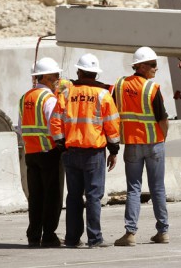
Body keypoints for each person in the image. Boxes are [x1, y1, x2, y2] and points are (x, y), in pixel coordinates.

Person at [50, 53, 120, 248]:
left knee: (73, 196)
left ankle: (72, 239)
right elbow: (112, 125)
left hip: (71, 151)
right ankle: (95, 239)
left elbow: (55, 120)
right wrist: (114, 150)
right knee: (93, 197)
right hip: (94, 153)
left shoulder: (66, 92)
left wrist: (61, 144)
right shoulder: (103, 95)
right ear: (96, 75)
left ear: (79, 72)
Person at [113, 46, 169, 247]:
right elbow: (163, 119)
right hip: (154, 143)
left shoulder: (119, 86)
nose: (156, 68)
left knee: (133, 189)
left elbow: (111, 109)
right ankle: (162, 232)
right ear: (141, 66)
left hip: (132, 145)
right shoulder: (152, 89)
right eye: (153, 65)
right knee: (157, 189)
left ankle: (130, 233)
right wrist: (162, 138)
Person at [17, 57, 64, 248]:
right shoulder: (49, 99)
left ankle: (34, 235)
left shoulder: (25, 97)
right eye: (55, 75)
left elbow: (20, 128)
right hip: (49, 151)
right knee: (52, 196)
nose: (58, 79)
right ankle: (49, 235)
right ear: (44, 77)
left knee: (35, 196)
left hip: (31, 153)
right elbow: (55, 127)